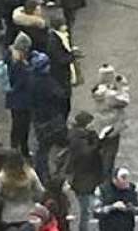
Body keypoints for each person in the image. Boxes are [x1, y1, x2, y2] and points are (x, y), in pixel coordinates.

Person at [30, 52, 68, 184]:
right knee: (50, 145)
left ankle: (41, 171)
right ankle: (48, 173)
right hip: (51, 118)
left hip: (38, 118)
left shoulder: (31, 78)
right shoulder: (47, 82)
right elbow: (61, 96)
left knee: (42, 147)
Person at [91, 65, 129, 178]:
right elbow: (125, 100)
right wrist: (123, 85)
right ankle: (105, 178)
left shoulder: (98, 90)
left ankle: (98, 173)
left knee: (101, 152)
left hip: (100, 125)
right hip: (112, 126)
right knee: (109, 155)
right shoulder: (110, 95)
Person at [0, 151, 43, 228]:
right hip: (28, 215)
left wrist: (2, 201)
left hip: (9, 217)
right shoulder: (30, 173)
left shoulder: (3, 176)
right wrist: (33, 198)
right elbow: (41, 192)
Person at [68, 112, 102, 231]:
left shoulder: (81, 135)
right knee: (85, 209)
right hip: (83, 177)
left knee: (85, 208)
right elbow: (87, 154)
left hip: (85, 176)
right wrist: (97, 142)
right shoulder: (78, 138)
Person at [45, 17, 74, 122]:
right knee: (62, 105)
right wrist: (72, 56)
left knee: (65, 104)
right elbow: (60, 59)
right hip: (59, 76)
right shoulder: (53, 41)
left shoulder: (61, 37)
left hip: (61, 76)